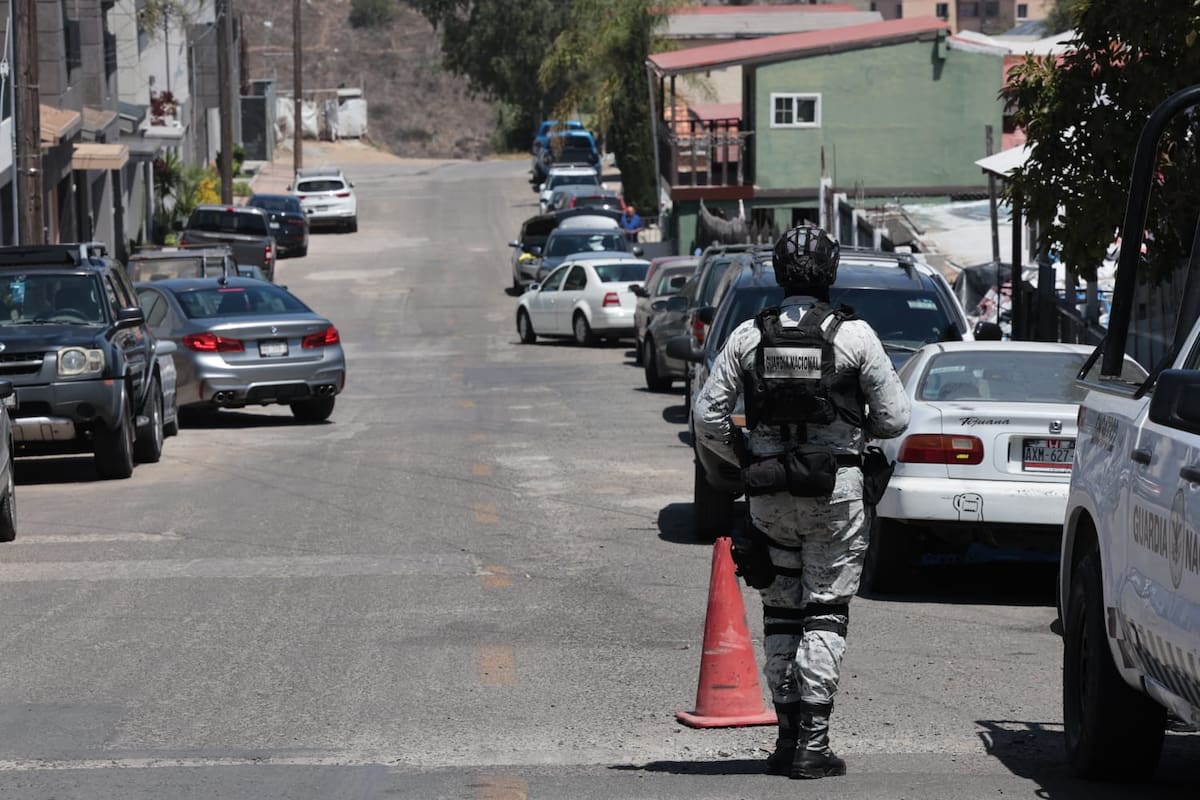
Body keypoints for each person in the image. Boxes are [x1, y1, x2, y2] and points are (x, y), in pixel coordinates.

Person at [692, 225, 910, 780]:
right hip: (834, 494)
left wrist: (742, 456)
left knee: (782, 612)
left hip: (769, 495)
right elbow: (894, 419)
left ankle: (787, 738)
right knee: (825, 612)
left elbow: (706, 416)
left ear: (778, 274)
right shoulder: (855, 337)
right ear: (831, 273)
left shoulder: (748, 336)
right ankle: (814, 745)